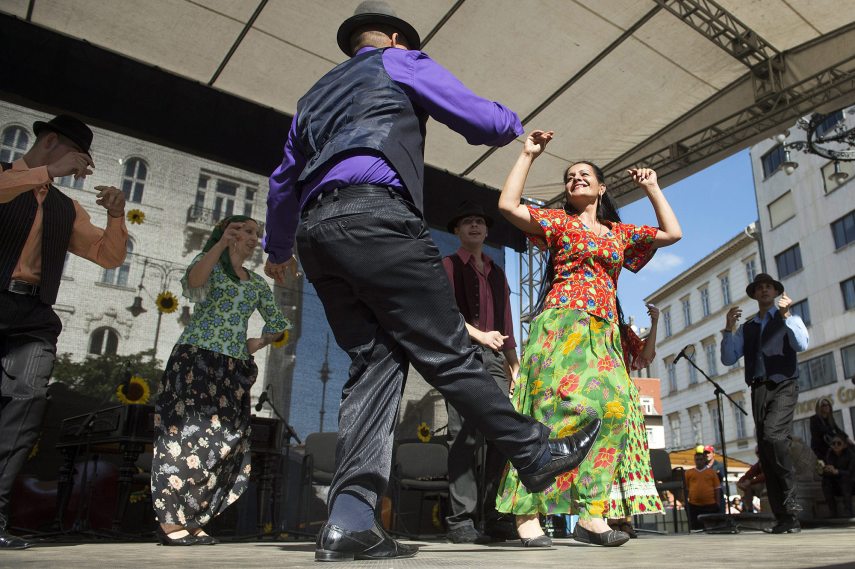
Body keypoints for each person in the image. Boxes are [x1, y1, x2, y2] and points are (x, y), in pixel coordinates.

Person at [262, 3, 599, 562]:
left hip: (318, 234)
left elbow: (282, 180)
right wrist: (514, 125)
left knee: (373, 367)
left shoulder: (312, 97)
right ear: (395, 40)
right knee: (449, 353)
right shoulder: (401, 61)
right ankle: (534, 451)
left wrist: (277, 249)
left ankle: (350, 520)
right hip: (377, 220)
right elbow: (482, 122)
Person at [494, 129, 682, 548]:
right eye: (570, 176)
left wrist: (653, 188)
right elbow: (507, 205)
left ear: (600, 187)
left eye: (584, 175)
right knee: (547, 412)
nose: (575, 179)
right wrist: (528, 154)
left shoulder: (619, 233)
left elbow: (672, 235)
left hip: (604, 329)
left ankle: (591, 514)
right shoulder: (557, 222)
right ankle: (528, 512)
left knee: (614, 410)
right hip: (561, 325)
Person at [0, 114, 128, 550]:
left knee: (26, 402)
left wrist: (115, 215)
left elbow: (108, 256)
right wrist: (45, 172)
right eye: (77, 160)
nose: (78, 171)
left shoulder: (65, 206)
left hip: (32, 314)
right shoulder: (5, 177)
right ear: (50, 141)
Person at [150, 215, 290, 545]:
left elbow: (278, 322)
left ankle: (194, 516)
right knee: (185, 436)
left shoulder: (256, 283)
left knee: (224, 441)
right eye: (247, 231)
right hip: (196, 358)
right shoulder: (208, 262)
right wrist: (220, 245)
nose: (254, 238)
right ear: (229, 232)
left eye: (257, 233)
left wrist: (257, 342)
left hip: (233, 366)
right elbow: (194, 283)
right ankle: (172, 521)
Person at [441, 201, 519, 544]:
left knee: (503, 434)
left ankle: (496, 516)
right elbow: (443, 313)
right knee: (463, 437)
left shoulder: (497, 273)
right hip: (460, 356)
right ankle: (461, 520)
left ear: (486, 231)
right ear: (457, 231)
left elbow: (506, 324)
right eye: (466, 222)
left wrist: (514, 365)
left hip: (495, 358)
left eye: (479, 222)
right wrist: (479, 335)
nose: (474, 226)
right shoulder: (445, 265)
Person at [721, 272, 809, 534]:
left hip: (783, 384)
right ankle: (783, 518)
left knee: (773, 437)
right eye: (759, 288)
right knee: (767, 451)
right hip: (758, 388)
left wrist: (786, 317)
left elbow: (802, 344)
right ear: (754, 294)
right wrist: (728, 329)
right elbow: (728, 358)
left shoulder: (789, 318)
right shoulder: (748, 327)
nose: (764, 291)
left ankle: (792, 512)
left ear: (776, 292)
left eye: (769, 287)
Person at [607, 301, 665, 538]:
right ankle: (609, 519)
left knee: (628, 456)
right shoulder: (589, 325)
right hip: (600, 394)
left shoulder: (622, 331)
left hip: (625, 395)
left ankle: (625, 519)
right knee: (606, 456)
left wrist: (655, 323)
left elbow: (646, 356)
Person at [685, 451, 722, 530]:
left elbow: (717, 488)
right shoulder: (688, 473)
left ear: (704, 460)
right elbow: (686, 488)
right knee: (695, 528)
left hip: (710, 505)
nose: (699, 461)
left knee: (711, 527)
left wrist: (718, 502)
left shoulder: (712, 472)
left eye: (701, 459)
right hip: (694, 505)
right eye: (697, 460)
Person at [820, 435, 854, 518]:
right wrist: (826, 470)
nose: (835, 445)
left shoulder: (851, 455)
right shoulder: (830, 454)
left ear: (844, 445)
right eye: (833, 443)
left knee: (845, 480)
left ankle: (848, 510)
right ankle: (833, 511)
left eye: (839, 443)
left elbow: (851, 473)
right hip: (837, 484)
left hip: (851, 484)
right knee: (826, 481)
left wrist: (838, 472)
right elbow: (827, 469)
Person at [703, 445, 727, 512]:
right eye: (705, 453)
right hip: (706, 498)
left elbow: (720, 478)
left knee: (720, 518)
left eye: (708, 452)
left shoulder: (720, 465)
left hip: (718, 496)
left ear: (713, 454)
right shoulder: (701, 466)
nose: (707, 455)